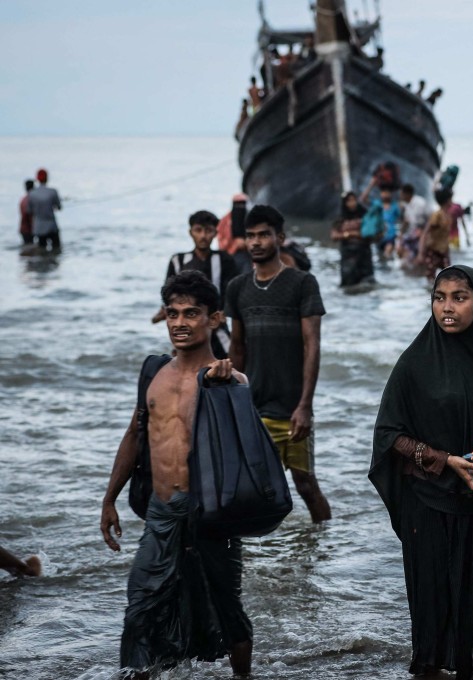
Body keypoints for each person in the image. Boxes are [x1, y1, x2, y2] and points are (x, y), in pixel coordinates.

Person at [101, 271, 252, 678]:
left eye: (191, 313)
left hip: (211, 516)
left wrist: (231, 381)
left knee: (226, 607)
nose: (180, 323)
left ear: (214, 319)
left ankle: (244, 675)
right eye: (172, 313)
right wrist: (109, 499)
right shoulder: (153, 372)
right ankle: (137, 674)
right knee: (141, 602)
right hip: (162, 510)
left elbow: (245, 409)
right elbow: (135, 434)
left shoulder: (225, 378)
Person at [370, 265, 473, 680]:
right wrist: (443, 459)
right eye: (439, 298)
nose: (447, 308)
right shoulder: (414, 363)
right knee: (433, 605)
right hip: (428, 506)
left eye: (459, 297)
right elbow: (388, 436)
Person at [225, 205, 332, 523]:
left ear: (279, 238)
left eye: (263, 235)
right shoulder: (238, 288)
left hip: (292, 409)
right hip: (253, 409)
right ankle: (259, 561)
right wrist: (233, 404)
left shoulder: (302, 283)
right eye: (250, 236)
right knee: (247, 490)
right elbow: (237, 348)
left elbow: (312, 345)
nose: (256, 242)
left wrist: (305, 406)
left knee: (305, 485)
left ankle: (321, 544)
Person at [151, 210, 239, 358]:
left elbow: (232, 291)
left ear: (215, 233)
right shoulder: (178, 261)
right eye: (198, 230)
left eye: (208, 231)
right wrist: (163, 312)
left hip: (217, 328)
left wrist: (224, 311)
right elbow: (168, 294)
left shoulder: (225, 259)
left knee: (230, 362)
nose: (203, 236)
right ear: (190, 232)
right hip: (186, 328)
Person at [331, 191, 374, 287]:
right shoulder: (341, 217)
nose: (352, 203)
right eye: (349, 201)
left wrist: (351, 234)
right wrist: (350, 234)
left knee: (367, 282)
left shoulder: (364, 214)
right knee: (349, 284)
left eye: (354, 200)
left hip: (364, 253)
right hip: (348, 255)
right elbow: (334, 236)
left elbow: (370, 233)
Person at [418, 189, 454, 283]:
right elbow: (426, 233)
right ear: (447, 200)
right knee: (430, 278)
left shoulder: (447, 215)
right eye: (451, 199)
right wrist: (421, 253)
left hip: (443, 250)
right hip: (433, 250)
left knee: (449, 276)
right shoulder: (437, 215)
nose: (452, 202)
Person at [360, 178, 401, 261]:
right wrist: (371, 185)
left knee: (387, 254)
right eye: (383, 192)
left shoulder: (395, 206)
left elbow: (402, 219)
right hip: (378, 235)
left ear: (391, 194)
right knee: (380, 258)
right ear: (380, 193)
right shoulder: (377, 204)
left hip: (390, 235)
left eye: (387, 192)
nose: (385, 194)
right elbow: (363, 199)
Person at [27, 168, 61, 252]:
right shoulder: (53, 192)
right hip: (52, 226)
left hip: (39, 228)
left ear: (37, 179)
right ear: (47, 178)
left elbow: (29, 211)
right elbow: (59, 207)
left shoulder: (32, 194)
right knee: (56, 250)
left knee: (42, 251)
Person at [398, 183, 430, 267]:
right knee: (401, 251)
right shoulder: (406, 205)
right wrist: (400, 234)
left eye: (402, 194)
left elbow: (430, 219)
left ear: (407, 194)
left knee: (419, 259)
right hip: (413, 233)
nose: (400, 196)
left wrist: (424, 234)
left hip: (423, 233)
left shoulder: (420, 203)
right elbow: (406, 221)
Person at [18, 179, 34, 247]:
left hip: (23, 228)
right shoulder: (30, 200)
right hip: (28, 229)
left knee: (27, 246)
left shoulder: (23, 200)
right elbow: (28, 215)